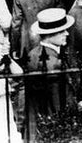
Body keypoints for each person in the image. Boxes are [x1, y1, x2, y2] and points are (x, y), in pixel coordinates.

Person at [26, 8, 76, 142]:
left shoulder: (33, 53)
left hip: (38, 121)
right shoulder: (53, 62)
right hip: (55, 123)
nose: (66, 33)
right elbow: (58, 100)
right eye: (61, 31)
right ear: (50, 34)